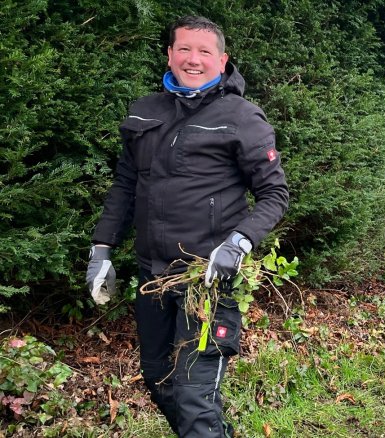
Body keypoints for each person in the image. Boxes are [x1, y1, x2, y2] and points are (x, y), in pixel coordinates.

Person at [85, 16, 288, 437]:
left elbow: (274, 195)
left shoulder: (242, 117)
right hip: (153, 277)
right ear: (170, 54)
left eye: (204, 52)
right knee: (159, 379)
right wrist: (101, 249)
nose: (193, 59)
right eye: (184, 49)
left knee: (195, 395)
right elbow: (125, 185)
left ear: (222, 59)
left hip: (207, 281)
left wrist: (240, 241)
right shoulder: (145, 111)